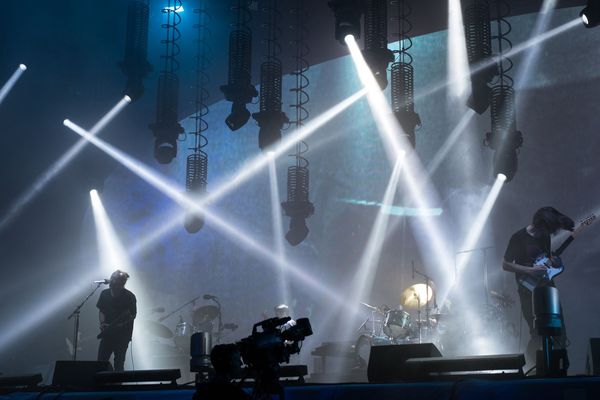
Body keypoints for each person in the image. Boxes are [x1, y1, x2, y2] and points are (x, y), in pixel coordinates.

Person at [502, 207, 574, 365]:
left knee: (558, 328)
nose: (548, 233)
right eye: (547, 229)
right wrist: (530, 270)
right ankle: (532, 364)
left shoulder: (545, 236)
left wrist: (556, 263)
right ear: (540, 224)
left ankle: (558, 368)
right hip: (527, 290)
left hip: (547, 287)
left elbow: (548, 259)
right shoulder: (518, 237)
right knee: (537, 332)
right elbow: (505, 264)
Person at [97, 269, 137, 371]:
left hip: (122, 336)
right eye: (112, 278)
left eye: (115, 279)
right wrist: (102, 323)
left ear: (122, 283)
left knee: (119, 364)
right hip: (107, 333)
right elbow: (102, 311)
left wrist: (121, 325)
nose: (112, 281)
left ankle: (118, 386)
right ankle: (101, 385)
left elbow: (133, 315)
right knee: (100, 362)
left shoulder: (129, 297)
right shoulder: (104, 294)